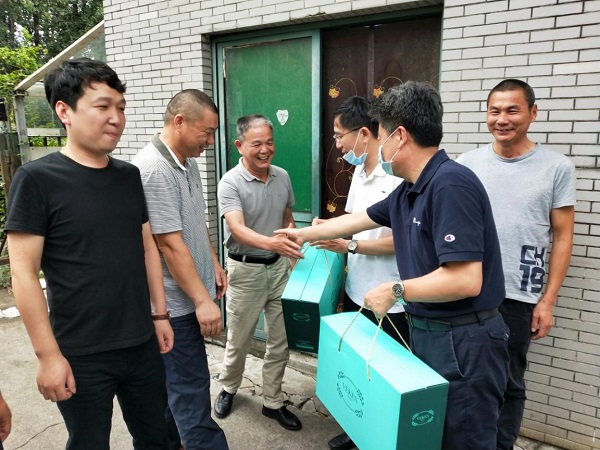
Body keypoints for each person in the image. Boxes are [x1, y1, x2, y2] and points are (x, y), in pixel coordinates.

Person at [277, 81, 509, 450]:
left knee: (463, 437)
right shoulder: (410, 189)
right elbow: (357, 220)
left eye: (382, 136)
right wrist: (300, 235)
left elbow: (467, 279)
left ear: (399, 136)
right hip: (431, 332)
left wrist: (397, 289)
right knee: (429, 436)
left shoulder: (451, 185)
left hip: (464, 338)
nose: (380, 148)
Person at [5, 58, 171, 449]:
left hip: (141, 342)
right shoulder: (37, 180)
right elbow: (23, 274)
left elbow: (147, 246)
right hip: (81, 352)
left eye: (121, 107)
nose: (116, 118)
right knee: (89, 442)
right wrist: (48, 356)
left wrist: (160, 314)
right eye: (103, 106)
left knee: (157, 437)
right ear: (64, 111)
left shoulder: (128, 175)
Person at [457, 79, 576, 450]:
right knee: (464, 376)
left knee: (509, 381)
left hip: (518, 295)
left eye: (512, 110)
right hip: (465, 286)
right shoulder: (467, 164)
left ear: (532, 113)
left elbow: (563, 236)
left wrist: (547, 301)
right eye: (494, 111)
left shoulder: (556, 167)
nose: (502, 119)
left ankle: (501, 445)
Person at [133, 89, 229, 450]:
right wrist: (202, 300)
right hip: (175, 306)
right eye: (206, 132)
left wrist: (213, 262)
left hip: (189, 297)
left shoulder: (187, 162)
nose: (210, 141)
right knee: (190, 390)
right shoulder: (153, 169)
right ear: (179, 122)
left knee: (173, 387)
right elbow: (169, 245)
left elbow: (196, 222)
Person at [314, 96, 407, 450]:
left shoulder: (396, 176)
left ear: (364, 133)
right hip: (357, 290)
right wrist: (327, 228)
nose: (337, 145)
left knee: (386, 374)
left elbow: (400, 242)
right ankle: (358, 431)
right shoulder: (359, 173)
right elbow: (353, 222)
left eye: (340, 136)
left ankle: (381, 438)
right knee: (359, 367)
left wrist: (350, 246)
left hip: (390, 298)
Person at [214, 114, 304, 431]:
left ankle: (273, 402)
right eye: (257, 144)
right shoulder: (230, 182)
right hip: (245, 270)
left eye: (269, 142)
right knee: (239, 339)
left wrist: (291, 239)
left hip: (278, 269)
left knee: (280, 341)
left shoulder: (282, 176)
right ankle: (229, 387)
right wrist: (272, 243)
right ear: (240, 145)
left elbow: (287, 215)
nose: (265, 150)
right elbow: (237, 228)